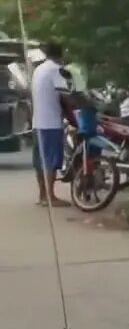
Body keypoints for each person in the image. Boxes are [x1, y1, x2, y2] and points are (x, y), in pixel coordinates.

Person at [30, 42, 69, 207]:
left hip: (37, 122)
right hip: (51, 123)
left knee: (40, 161)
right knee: (50, 161)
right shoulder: (56, 70)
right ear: (61, 54)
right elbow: (65, 94)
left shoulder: (39, 69)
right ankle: (50, 197)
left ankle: (42, 195)